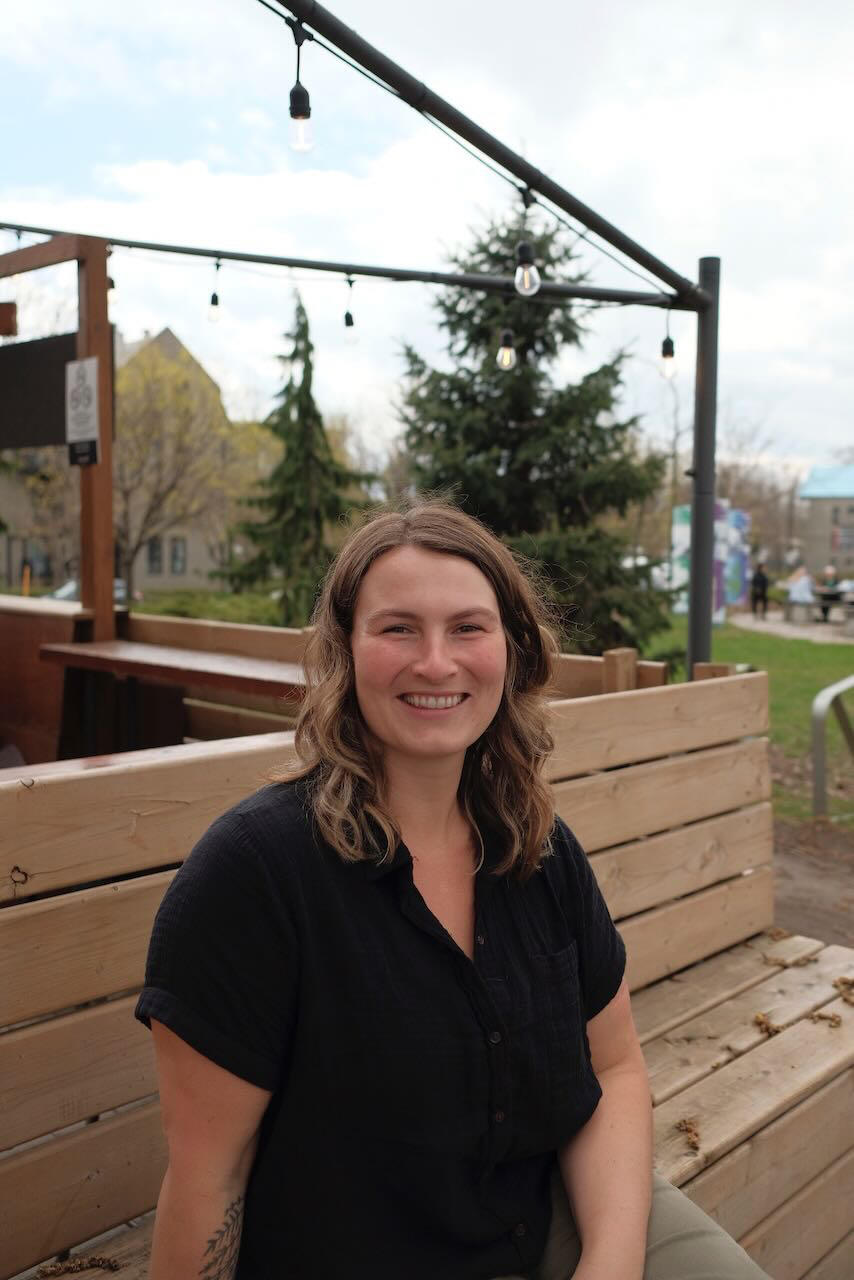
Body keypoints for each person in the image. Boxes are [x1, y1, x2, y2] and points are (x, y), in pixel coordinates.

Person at [135, 499, 770, 1280]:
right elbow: (211, 1178)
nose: (436, 663)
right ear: (345, 651)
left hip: (547, 1213)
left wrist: (609, 1265)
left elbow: (613, 1069)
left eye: (468, 628)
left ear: (511, 649)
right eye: (399, 629)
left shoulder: (537, 848)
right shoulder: (254, 876)